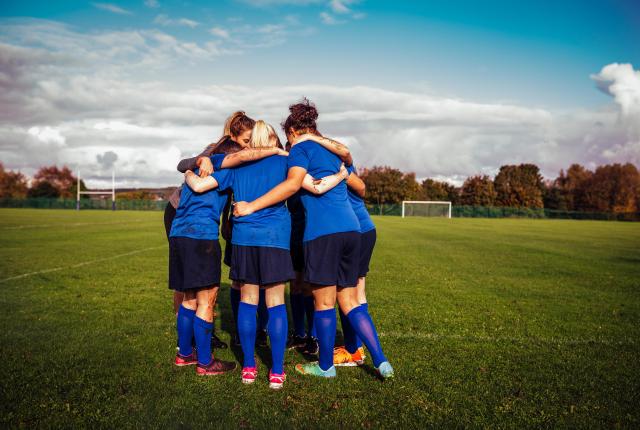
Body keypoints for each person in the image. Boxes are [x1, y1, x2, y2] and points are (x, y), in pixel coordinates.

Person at [233, 98, 394, 379]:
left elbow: (301, 185)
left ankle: (326, 367)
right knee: (351, 300)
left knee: (323, 302)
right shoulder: (334, 152)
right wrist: (342, 174)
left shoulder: (299, 150)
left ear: (292, 132)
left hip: (322, 232)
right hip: (353, 230)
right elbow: (355, 176)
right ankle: (381, 361)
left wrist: (251, 205)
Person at [187, 120, 294, 389]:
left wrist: (193, 169)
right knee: (275, 302)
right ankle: (277, 372)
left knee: (247, 299)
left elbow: (202, 183)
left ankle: (248, 367)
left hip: (244, 238)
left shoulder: (235, 165)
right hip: (275, 238)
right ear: (271, 139)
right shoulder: (285, 161)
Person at [176, 112, 271, 349]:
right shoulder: (220, 157)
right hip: (195, 226)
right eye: (246, 142)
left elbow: (195, 180)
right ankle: (200, 350)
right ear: (233, 138)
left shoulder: (224, 158)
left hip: (190, 225)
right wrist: (197, 164)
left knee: (193, 294)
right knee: (202, 293)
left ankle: (187, 349)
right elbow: (190, 174)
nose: (247, 148)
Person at [285, 133, 353, 356]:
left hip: (318, 234)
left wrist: (342, 174)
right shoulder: (289, 172)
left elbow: (354, 185)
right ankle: (300, 333)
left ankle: (315, 337)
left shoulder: (318, 170)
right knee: (296, 284)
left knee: (315, 289)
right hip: (295, 234)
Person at [170, 156, 237, 375]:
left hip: (179, 233)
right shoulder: (227, 171)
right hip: (201, 236)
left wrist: (191, 169)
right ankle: (206, 363)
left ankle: (185, 354)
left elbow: (182, 164)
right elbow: (199, 186)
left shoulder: (199, 167)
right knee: (206, 300)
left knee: (189, 299)